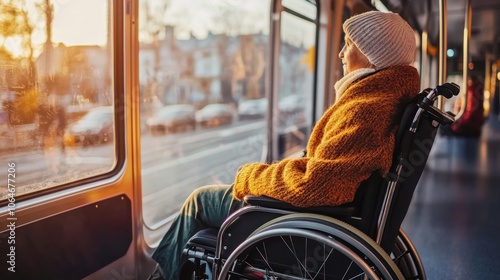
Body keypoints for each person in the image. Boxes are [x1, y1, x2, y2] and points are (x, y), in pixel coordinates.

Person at [148, 10, 420, 280]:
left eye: (348, 45)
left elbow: (317, 186)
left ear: (373, 55)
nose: (340, 54)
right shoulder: (384, 101)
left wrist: (251, 176)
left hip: (306, 220)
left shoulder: (365, 110)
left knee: (198, 200)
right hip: (323, 216)